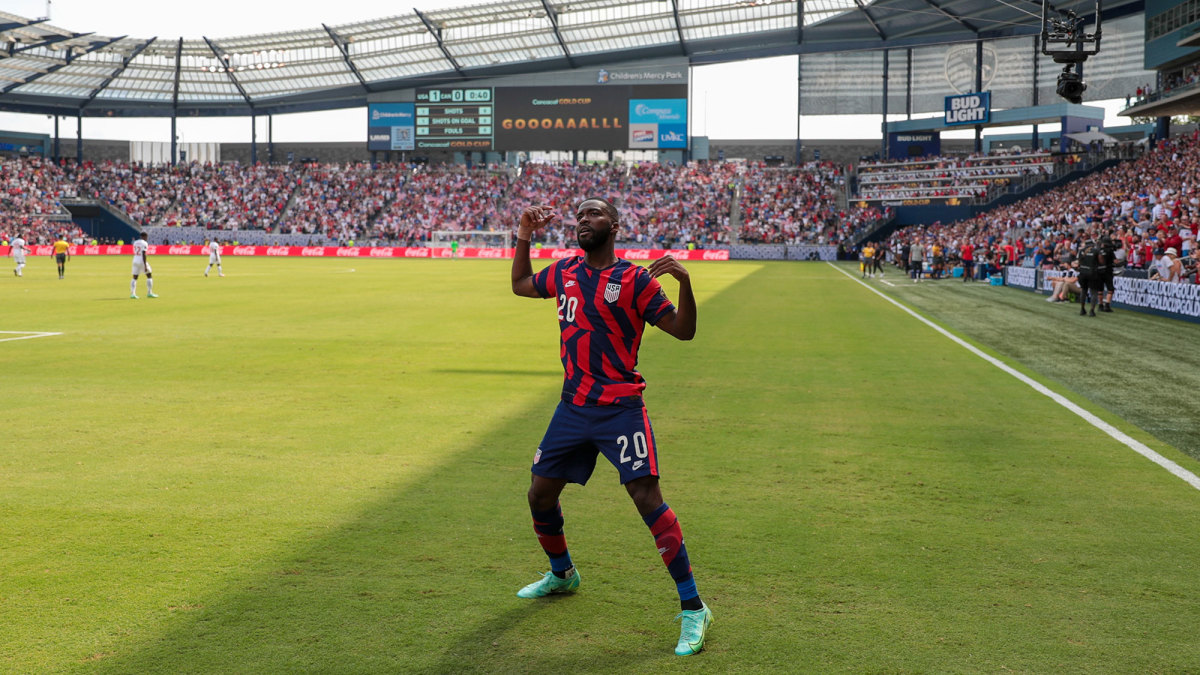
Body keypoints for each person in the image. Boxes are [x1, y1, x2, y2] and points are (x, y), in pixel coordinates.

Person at [509, 198, 711, 656]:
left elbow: (683, 330)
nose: (583, 220)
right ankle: (562, 573)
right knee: (540, 493)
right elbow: (521, 284)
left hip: (620, 408)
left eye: (594, 214)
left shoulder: (636, 281)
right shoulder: (564, 272)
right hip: (573, 406)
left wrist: (685, 285)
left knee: (646, 499)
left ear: (615, 226)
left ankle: (694, 608)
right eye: (579, 215)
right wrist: (524, 234)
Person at [1076, 238, 1104, 317]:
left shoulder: (1081, 251)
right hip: (1092, 273)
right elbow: (1101, 261)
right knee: (1094, 292)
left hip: (1083, 272)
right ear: (1092, 244)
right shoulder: (1096, 251)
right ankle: (1092, 310)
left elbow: (1079, 261)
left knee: (1083, 291)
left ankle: (1082, 309)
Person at [130, 231, 158, 299]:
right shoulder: (144, 243)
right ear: (144, 236)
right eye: (146, 237)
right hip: (141, 260)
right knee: (149, 275)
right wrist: (145, 265)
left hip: (135, 259)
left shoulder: (135, 242)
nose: (146, 238)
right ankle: (149, 293)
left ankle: (133, 294)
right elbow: (144, 253)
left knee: (135, 277)